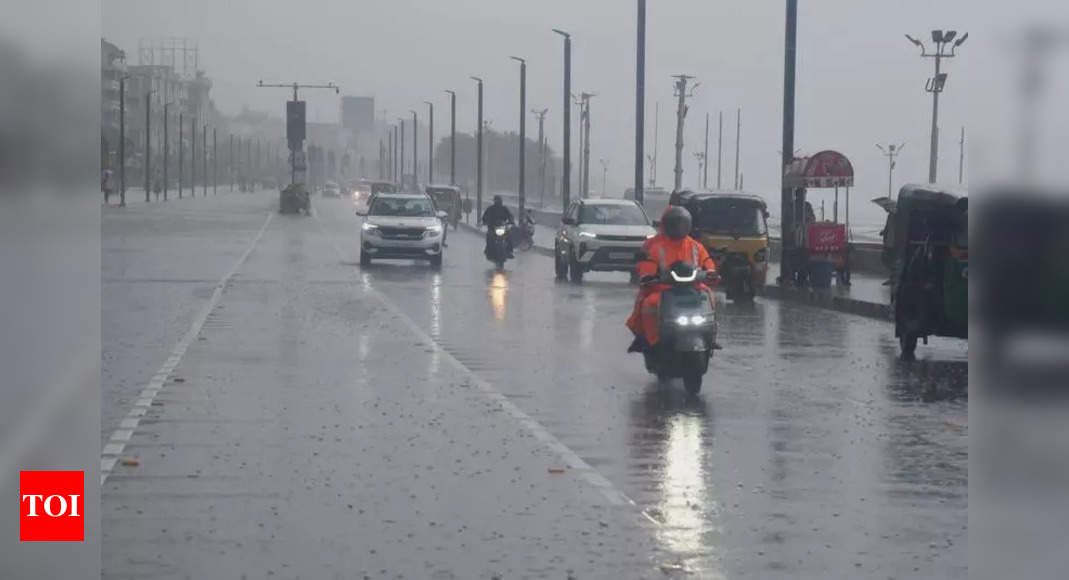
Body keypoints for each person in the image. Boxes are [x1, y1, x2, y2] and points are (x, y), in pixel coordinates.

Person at [626, 206, 717, 353]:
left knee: (709, 296)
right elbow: (648, 263)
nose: (679, 228)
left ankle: (710, 336)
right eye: (675, 225)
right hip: (664, 289)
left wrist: (711, 272)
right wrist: (648, 276)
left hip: (693, 287)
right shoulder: (657, 246)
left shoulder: (695, 245)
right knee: (649, 304)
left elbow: (706, 260)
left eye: (683, 224)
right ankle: (652, 341)